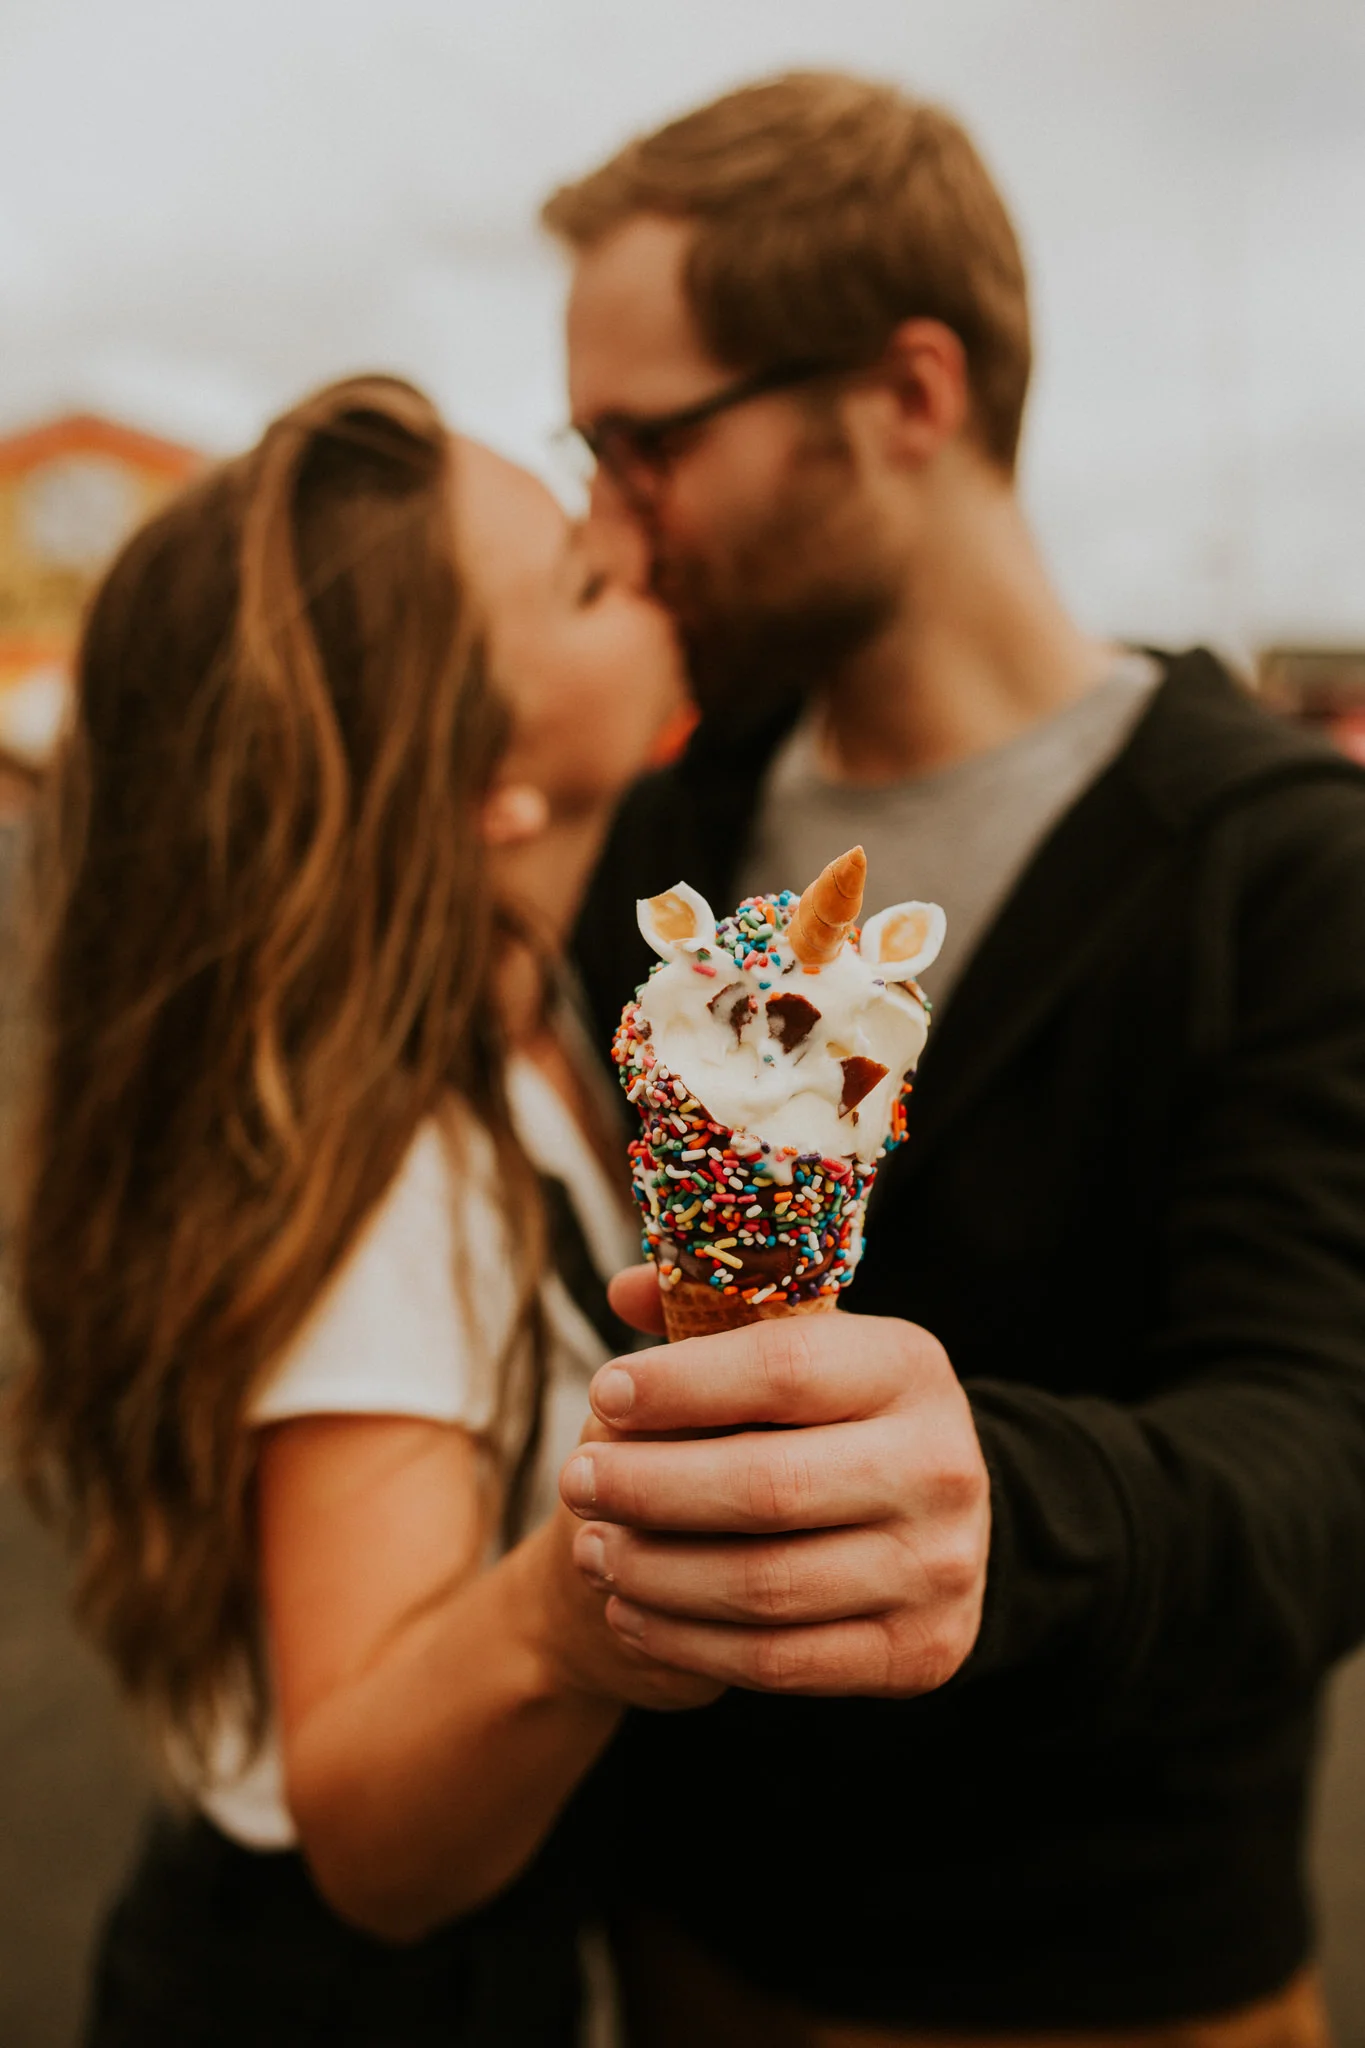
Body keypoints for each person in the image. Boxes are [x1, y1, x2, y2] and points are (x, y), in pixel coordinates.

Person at [541, 72, 1365, 2047]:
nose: (611, 526)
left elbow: (1322, 1446)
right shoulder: (667, 838)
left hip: (1101, 1984)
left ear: (908, 393)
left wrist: (1010, 1506)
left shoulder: (1279, 866)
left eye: (645, 444)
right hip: (674, 1947)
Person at [9, 374, 714, 2048]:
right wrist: (597, 1591)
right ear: (487, 789)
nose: (634, 537)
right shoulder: (395, 1182)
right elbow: (367, 1833)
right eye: (587, 582)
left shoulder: (518, 1013)